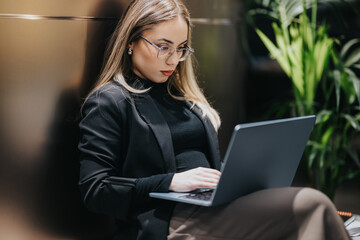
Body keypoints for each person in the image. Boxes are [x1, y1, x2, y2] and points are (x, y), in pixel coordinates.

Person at [78, 0, 350, 239]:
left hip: (215, 206)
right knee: (312, 204)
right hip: (170, 221)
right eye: (163, 47)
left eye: (181, 48)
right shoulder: (109, 101)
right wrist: (171, 182)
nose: (173, 59)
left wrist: (237, 175)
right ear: (130, 41)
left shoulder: (182, 97)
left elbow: (201, 166)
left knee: (313, 208)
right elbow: (96, 190)